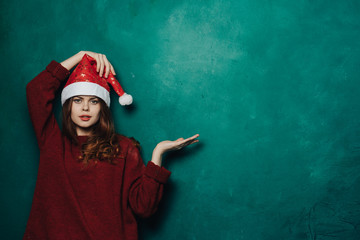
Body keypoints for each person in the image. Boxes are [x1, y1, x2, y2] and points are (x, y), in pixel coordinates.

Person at [24, 51, 199, 240]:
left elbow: (144, 208)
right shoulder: (53, 143)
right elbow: (36, 91)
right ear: (68, 105)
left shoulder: (123, 148)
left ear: (103, 107)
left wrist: (158, 155)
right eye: (77, 100)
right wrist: (81, 55)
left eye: (93, 101)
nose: (85, 108)